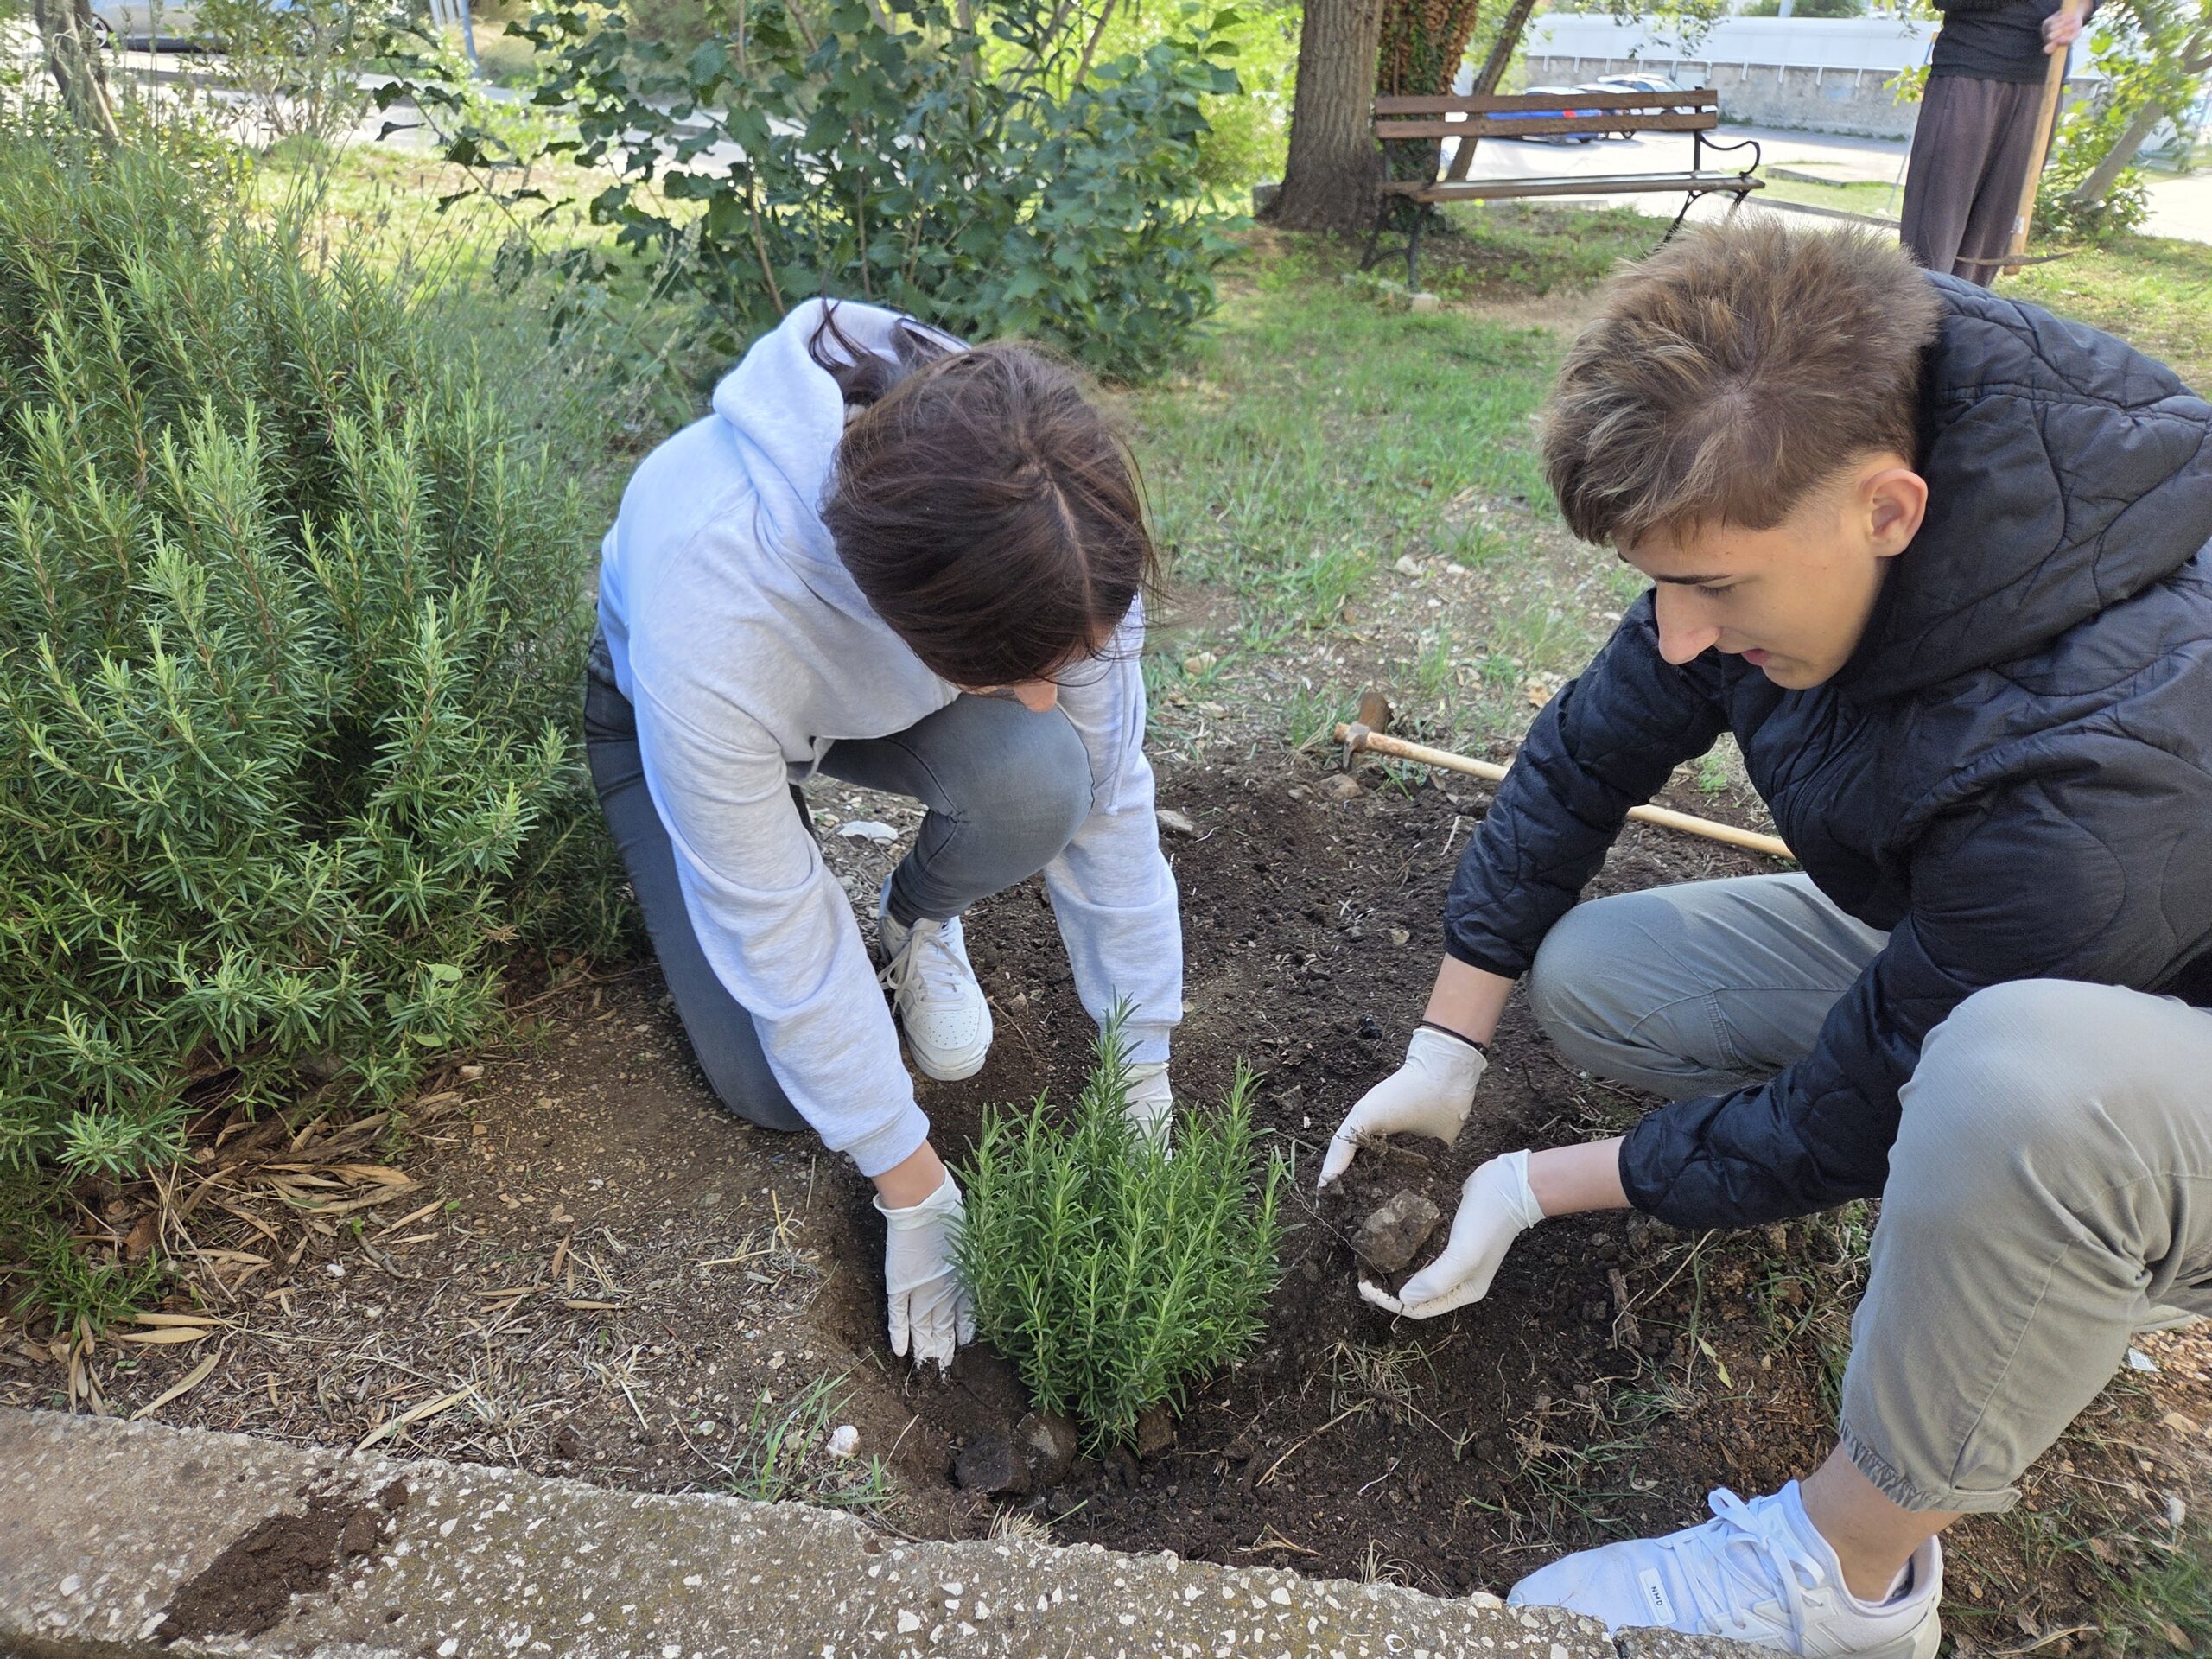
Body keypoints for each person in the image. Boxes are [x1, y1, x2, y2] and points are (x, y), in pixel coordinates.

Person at [1320, 220, 2212, 1654]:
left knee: (2011, 1083)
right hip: (2026, 952)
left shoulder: (2107, 770)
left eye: (1717, 591)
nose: (1675, 636)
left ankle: (1848, 1578)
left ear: (1891, 510)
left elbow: (1840, 1119)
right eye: (1660, 585)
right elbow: (1581, 759)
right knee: (1602, 981)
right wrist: (1447, 1046)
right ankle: (1997, 1196)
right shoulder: (1785, 465)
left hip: (2148, 1046)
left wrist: (1533, 1191)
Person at [587, 299, 1183, 1373]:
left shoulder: (1054, 524)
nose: (1044, 698)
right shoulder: (714, 613)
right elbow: (771, 926)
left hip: (884, 676)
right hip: (685, 713)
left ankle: (913, 925)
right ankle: (825, 873)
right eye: (1018, 672)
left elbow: (1108, 800)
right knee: (775, 1092)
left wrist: (1139, 1062)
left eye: (1066, 665)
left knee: (1044, 775)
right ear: (916, 623)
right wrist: (912, 1183)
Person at [1898, 0, 2088, 283]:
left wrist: (2071, 16)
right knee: (1933, 242)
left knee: (1986, 244)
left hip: (2043, 80)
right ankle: (1916, 321)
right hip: (1971, 69)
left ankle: (1967, 321)